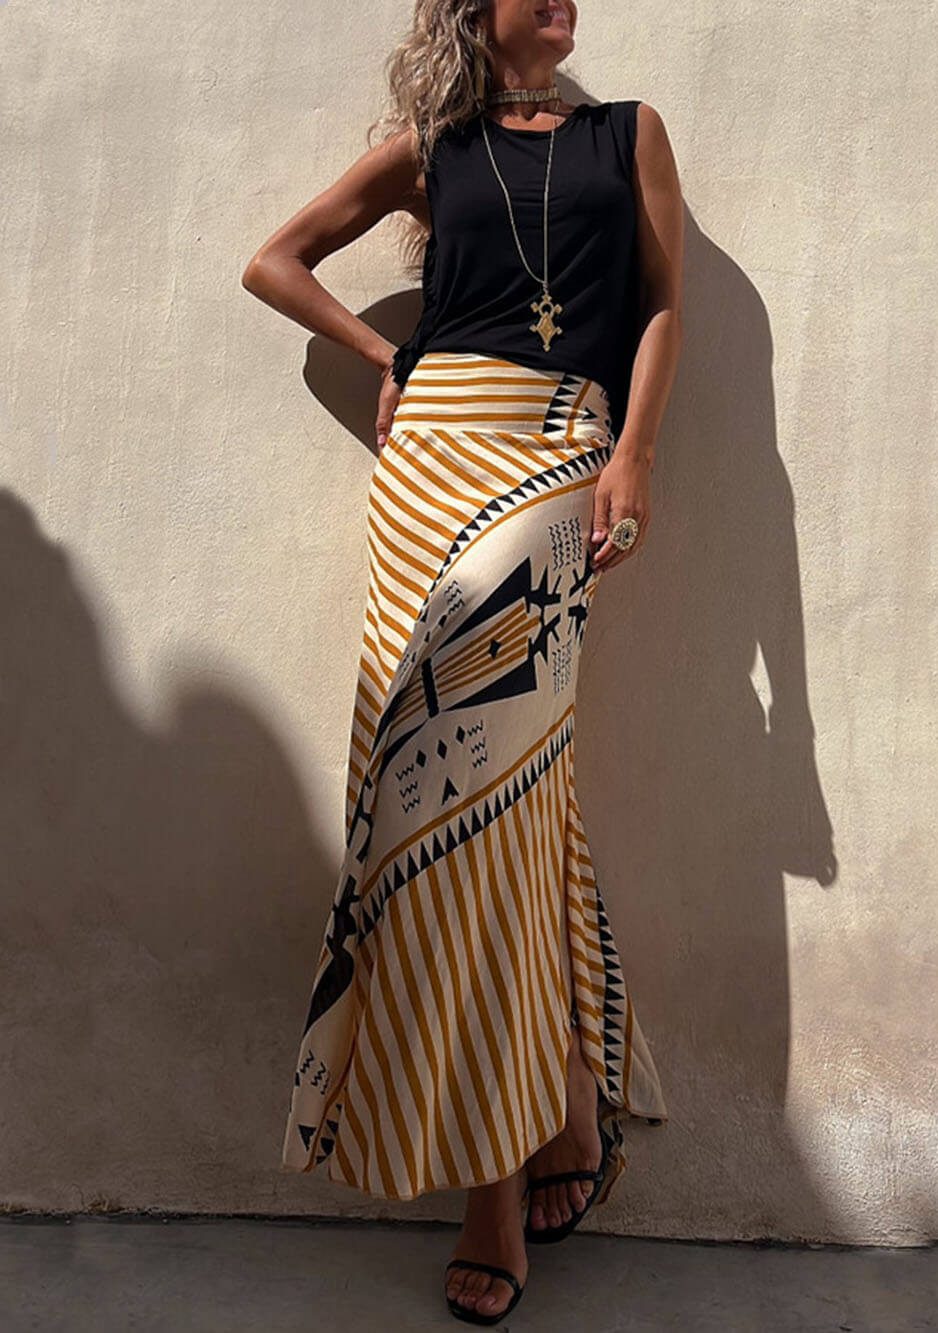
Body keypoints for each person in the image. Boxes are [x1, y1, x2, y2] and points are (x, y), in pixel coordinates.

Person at [242, 0, 684, 1324]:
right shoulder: (430, 147)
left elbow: (663, 306)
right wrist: (389, 355)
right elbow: (275, 263)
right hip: (432, 458)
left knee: (498, 792)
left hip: (556, 457)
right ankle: (556, 1106)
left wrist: (634, 455)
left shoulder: (630, 134)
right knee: (435, 800)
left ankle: (502, 1180)